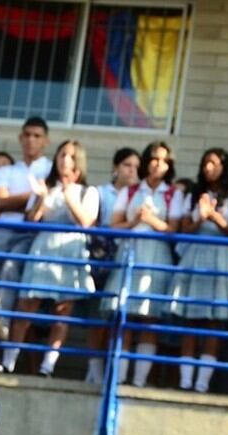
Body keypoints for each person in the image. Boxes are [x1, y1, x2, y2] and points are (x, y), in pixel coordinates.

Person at [0, 140, 98, 377]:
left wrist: (69, 195)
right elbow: (31, 220)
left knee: (62, 311)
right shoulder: (45, 186)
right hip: (43, 247)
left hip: (71, 249)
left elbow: (87, 222)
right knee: (27, 304)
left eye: (71, 156)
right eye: (62, 154)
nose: (65, 160)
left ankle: (48, 365)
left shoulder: (88, 191)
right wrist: (42, 197)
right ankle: (9, 361)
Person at [102, 141, 184, 387]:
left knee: (150, 319)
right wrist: (134, 221)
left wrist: (150, 220)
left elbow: (174, 230)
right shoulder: (130, 191)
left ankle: (139, 380)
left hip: (157, 256)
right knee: (124, 318)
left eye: (164, 161)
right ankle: (118, 378)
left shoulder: (173, 193)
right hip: (130, 253)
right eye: (154, 159)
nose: (158, 165)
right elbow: (114, 226)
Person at [167, 148, 228, 392]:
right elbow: (183, 229)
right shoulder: (192, 194)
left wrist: (215, 218)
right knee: (190, 320)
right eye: (205, 163)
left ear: (224, 167)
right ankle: (185, 380)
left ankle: (202, 383)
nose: (208, 168)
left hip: (222, 258)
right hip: (195, 256)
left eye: (214, 163)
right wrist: (200, 218)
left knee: (213, 323)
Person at [0, 117, 50, 343]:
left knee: (13, 279)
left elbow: (48, 205)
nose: (31, 140)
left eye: (37, 136)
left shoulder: (51, 169)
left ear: (46, 141)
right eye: (27, 135)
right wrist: (35, 197)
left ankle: (5, 348)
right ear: (21, 138)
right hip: (1, 232)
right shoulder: (8, 170)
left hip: (32, 235)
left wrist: (13, 202)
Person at [83, 147, 140, 384]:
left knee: (118, 321)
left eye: (136, 167)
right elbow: (93, 225)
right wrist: (129, 224)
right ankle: (95, 373)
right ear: (116, 167)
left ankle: (109, 373)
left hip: (128, 260)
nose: (132, 171)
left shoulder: (140, 194)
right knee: (99, 318)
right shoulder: (101, 192)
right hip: (103, 261)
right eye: (127, 165)